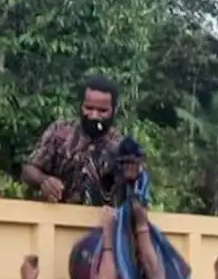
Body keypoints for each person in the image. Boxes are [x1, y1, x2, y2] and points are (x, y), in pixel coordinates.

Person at [22, 75, 134, 206]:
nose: (94, 116)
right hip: (56, 220)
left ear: (114, 110)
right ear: (80, 106)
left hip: (101, 223)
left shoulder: (123, 148)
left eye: (102, 111)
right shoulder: (59, 132)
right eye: (89, 108)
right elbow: (28, 171)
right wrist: (44, 180)